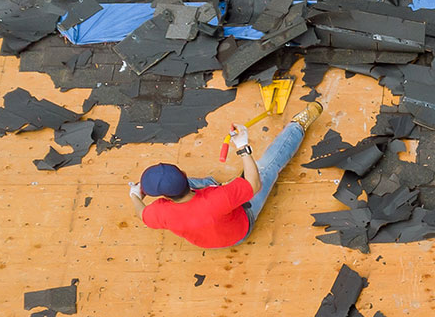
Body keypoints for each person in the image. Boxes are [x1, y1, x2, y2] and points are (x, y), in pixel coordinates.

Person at [129, 101, 323, 249]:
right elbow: (254, 184)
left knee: (209, 186)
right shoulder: (218, 198)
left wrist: (135, 195)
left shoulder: (160, 213)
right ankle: (297, 126)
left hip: (209, 238)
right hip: (240, 229)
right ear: (184, 174)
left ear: (164, 198)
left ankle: (210, 183)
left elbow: (141, 213)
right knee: (265, 169)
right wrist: (242, 146)